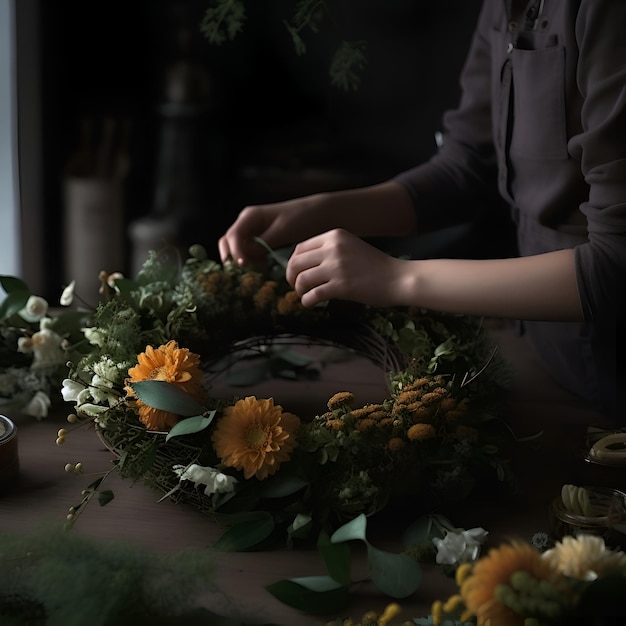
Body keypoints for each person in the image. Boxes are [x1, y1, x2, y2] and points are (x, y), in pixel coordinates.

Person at [218, 0, 625, 423]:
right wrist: (318, 212)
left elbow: (616, 266)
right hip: (551, 362)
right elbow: (467, 165)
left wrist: (395, 278)